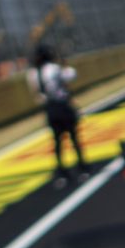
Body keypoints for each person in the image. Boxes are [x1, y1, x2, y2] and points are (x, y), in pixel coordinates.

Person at [34, 45, 84, 184]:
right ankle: (82, 166)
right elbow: (71, 75)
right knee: (74, 137)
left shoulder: (33, 74)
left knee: (57, 142)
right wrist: (64, 63)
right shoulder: (54, 69)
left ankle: (62, 172)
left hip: (50, 109)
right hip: (62, 106)